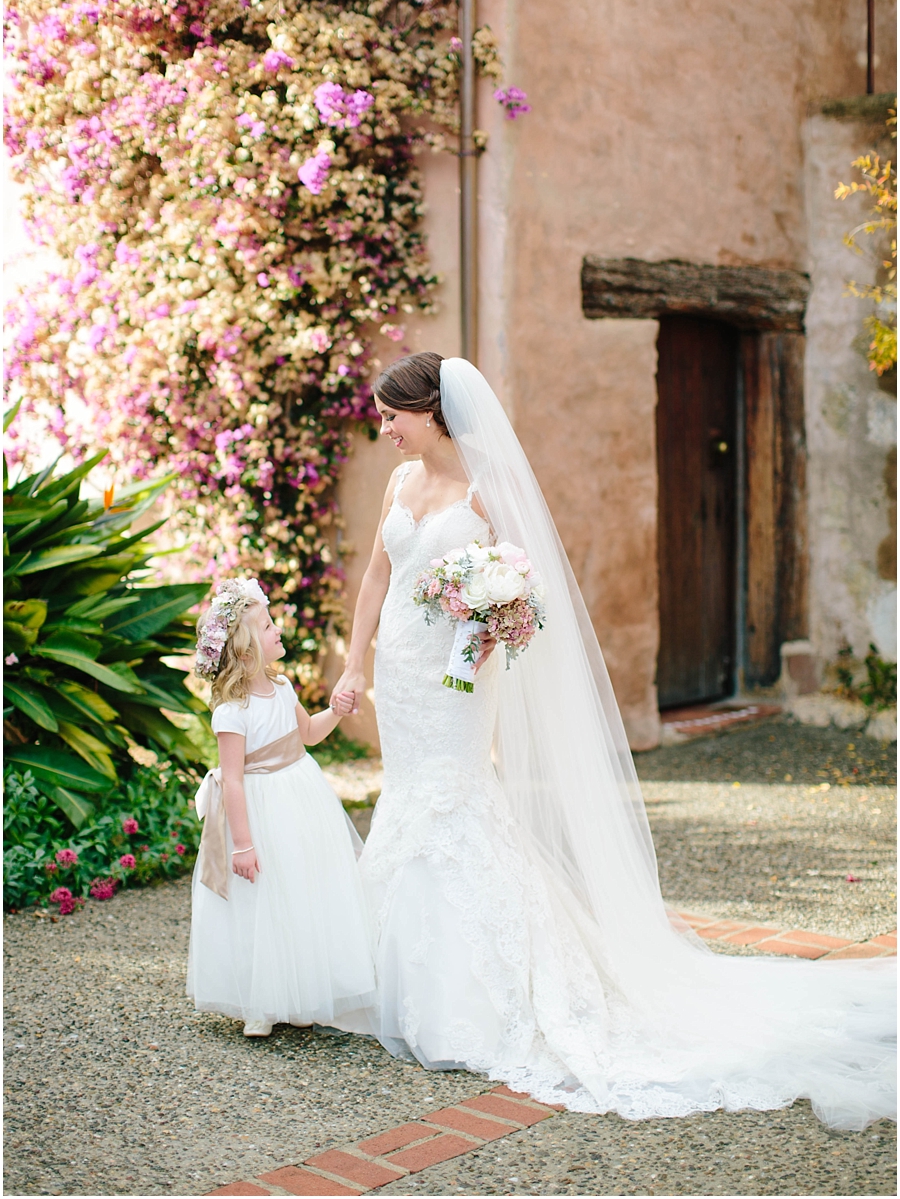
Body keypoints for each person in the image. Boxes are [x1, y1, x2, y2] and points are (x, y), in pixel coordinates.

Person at [331, 352, 895, 1129]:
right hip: (399, 673)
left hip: (457, 682)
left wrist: (496, 625)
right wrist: (354, 659)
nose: (384, 427)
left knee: (457, 800)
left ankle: (475, 993)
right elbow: (375, 578)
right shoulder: (399, 485)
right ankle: (390, 973)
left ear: (432, 411)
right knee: (408, 798)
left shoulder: (487, 490)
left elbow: (530, 589)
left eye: (393, 414)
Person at [186, 577, 376, 1037]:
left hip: (301, 799)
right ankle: (260, 1001)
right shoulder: (232, 711)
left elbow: (307, 735)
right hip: (261, 810)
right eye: (268, 625)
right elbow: (232, 780)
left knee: (301, 891)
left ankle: (301, 992)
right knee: (261, 901)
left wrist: (338, 709)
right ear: (248, 650)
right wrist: (243, 845)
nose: (277, 630)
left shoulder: (285, 687)